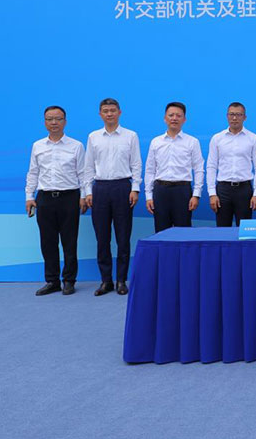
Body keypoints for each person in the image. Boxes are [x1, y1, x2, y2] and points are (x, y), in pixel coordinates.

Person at [25, 106, 86, 296]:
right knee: (47, 242)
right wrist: (29, 196)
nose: (54, 123)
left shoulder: (76, 146)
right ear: (44, 122)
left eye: (58, 119)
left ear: (65, 121)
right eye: (49, 119)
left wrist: (84, 196)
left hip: (69, 197)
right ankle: (52, 281)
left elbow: (83, 173)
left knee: (69, 241)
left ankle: (69, 280)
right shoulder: (38, 146)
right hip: (44, 198)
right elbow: (33, 172)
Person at [83, 98, 141, 296]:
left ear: (119, 112)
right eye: (105, 111)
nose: (109, 114)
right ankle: (106, 281)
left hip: (122, 187)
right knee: (102, 238)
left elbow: (136, 164)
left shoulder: (130, 136)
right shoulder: (93, 137)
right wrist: (88, 192)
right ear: (100, 114)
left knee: (123, 237)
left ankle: (121, 280)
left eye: (113, 110)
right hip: (100, 189)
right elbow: (88, 166)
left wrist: (135, 189)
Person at [144, 102, 204, 233]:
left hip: (182, 191)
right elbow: (150, 170)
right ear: (165, 118)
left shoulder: (192, 142)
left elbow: (199, 169)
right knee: (161, 232)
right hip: (160, 191)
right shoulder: (156, 142)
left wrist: (196, 195)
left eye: (178, 115)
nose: (174, 118)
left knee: (183, 232)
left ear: (184, 119)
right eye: (171, 115)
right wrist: (148, 196)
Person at [207, 102, 256, 227]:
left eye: (238, 115)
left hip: (244, 190)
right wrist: (212, 193)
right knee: (222, 229)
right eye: (231, 114)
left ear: (245, 117)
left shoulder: (253, 139)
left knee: (244, 230)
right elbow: (211, 166)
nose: (234, 118)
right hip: (223, 190)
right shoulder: (217, 138)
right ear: (227, 116)